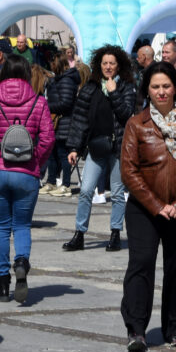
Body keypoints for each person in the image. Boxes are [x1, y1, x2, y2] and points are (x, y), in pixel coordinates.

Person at [119, 61, 176, 352]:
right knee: (141, 265)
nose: (161, 92)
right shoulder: (137, 124)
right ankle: (136, 329)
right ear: (147, 89)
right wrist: (157, 205)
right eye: (155, 86)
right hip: (144, 209)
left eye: (166, 86)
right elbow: (129, 171)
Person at [0, 54, 55, 304]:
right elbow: (48, 140)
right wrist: (37, 162)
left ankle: (2, 284)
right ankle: (21, 261)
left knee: (2, 227)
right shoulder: (39, 102)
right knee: (21, 226)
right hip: (26, 173)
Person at [64, 45, 137, 252]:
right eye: (104, 63)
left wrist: (114, 93)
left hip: (118, 147)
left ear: (118, 65)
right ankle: (79, 234)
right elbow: (79, 120)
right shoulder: (91, 87)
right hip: (95, 146)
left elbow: (126, 114)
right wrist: (74, 148)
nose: (108, 67)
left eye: (112, 63)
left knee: (116, 193)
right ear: (99, 65)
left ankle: (115, 233)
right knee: (86, 190)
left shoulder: (127, 87)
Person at [42, 53, 81, 197]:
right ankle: (51, 181)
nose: (50, 66)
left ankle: (66, 185)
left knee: (63, 154)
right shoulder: (58, 80)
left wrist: (47, 105)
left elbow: (66, 103)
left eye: (53, 63)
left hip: (64, 121)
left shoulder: (67, 80)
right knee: (52, 154)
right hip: (56, 122)